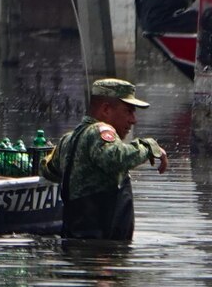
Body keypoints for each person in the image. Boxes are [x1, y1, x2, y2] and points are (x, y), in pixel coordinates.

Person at [40, 78, 169, 241]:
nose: (133, 120)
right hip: (102, 253)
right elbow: (117, 158)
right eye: (128, 111)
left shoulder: (68, 140)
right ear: (106, 109)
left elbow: (48, 170)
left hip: (76, 245)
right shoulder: (99, 131)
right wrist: (149, 147)